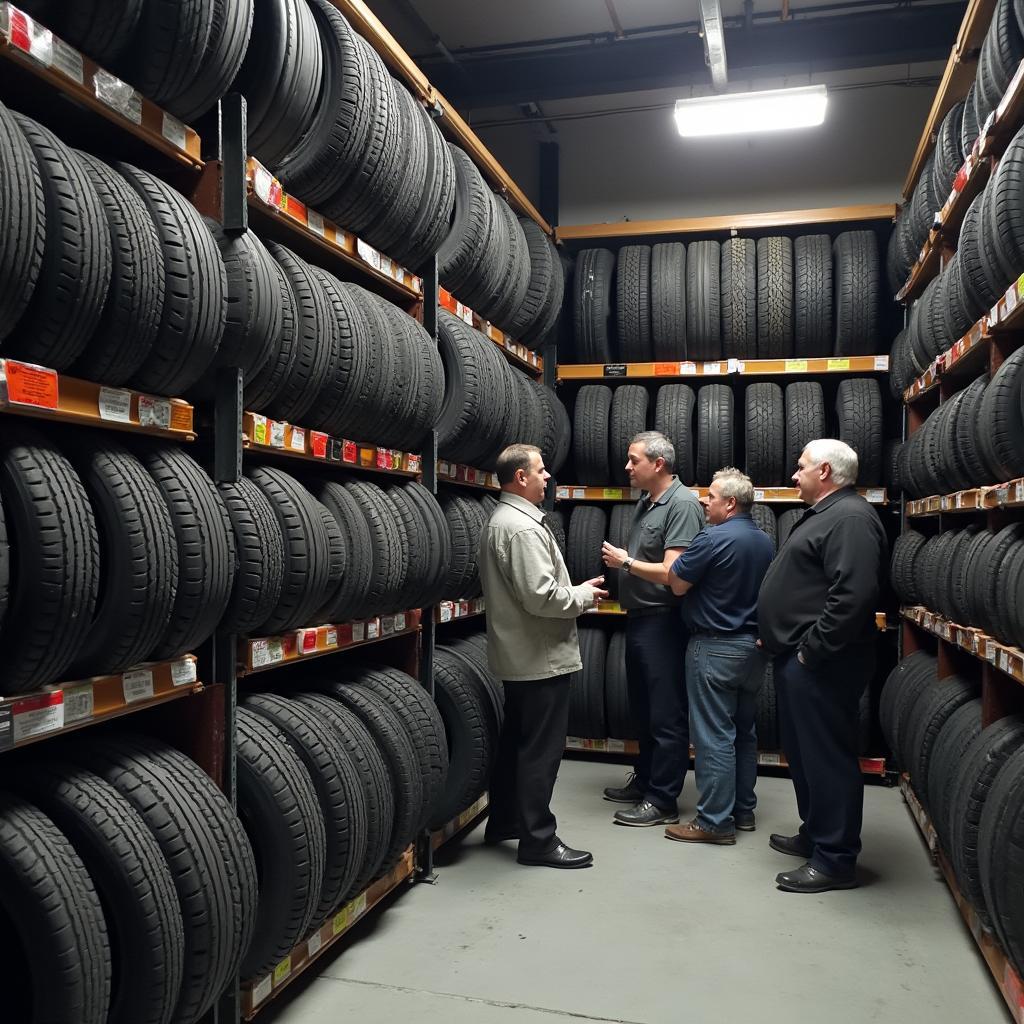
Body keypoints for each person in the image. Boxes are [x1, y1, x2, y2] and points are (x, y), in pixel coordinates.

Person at [757, 439, 887, 893]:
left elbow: (852, 597)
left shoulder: (850, 518)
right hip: (802, 660)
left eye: (801, 467)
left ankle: (834, 859)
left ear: (826, 472)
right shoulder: (828, 514)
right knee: (807, 753)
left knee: (827, 757)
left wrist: (811, 651)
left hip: (823, 663)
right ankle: (815, 833)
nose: (795, 475)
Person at [478, 443, 608, 869]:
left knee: (518, 744)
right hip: (541, 659)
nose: (547, 476)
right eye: (540, 470)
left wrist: (572, 590)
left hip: (523, 656)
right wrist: (585, 595)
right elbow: (541, 598)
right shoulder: (522, 528)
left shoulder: (506, 521)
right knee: (541, 752)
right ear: (520, 478)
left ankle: (504, 823)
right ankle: (538, 841)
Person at [661, 468, 774, 846]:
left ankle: (713, 822)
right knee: (744, 733)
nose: (704, 502)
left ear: (729, 503)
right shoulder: (765, 541)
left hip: (714, 647)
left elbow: (677, 583)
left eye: (710, 497)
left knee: (713, 737)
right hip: (752, 649)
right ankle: (742, 811)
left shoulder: (711, 538)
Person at [600, 431, 705, 827]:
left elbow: (674, 573)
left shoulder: (681, 505)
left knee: (666, 713)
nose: (627, 467)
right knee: (644, 711)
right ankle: (645, 781)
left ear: (658, 464)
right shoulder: (648, 502)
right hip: (641, 619)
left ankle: (663, 800)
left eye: (633, 460)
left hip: (664, 622)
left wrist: (625, 563)